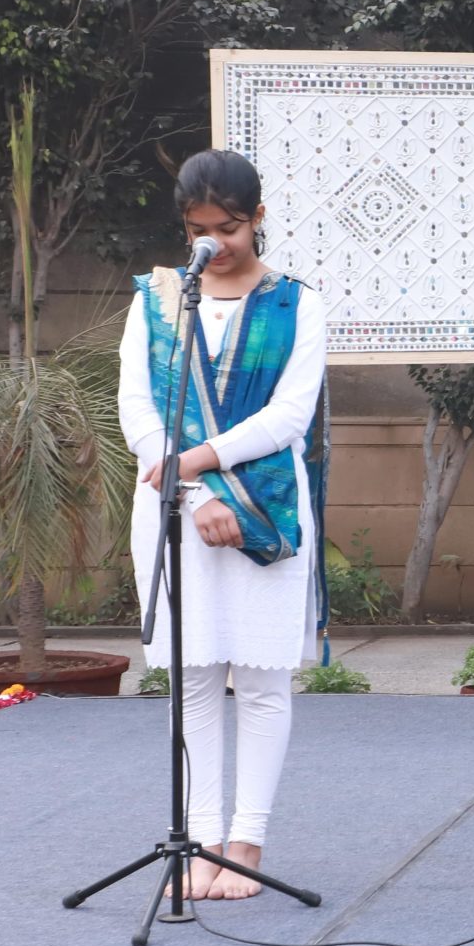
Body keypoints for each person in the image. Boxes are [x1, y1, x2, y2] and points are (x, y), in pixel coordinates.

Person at [117, 149, 328, 900]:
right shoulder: (157, 300)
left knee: (262, 682)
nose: (216, 242)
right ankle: (201, 839)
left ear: (258, 217)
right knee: (194, 680)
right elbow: (138, 409)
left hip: (265, 507)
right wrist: (193, 493)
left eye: (231, 227)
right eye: (200, 229)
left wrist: (201, 461)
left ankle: (247, 843)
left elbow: (289, 416)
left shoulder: (296, 303)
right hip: (177, 511)